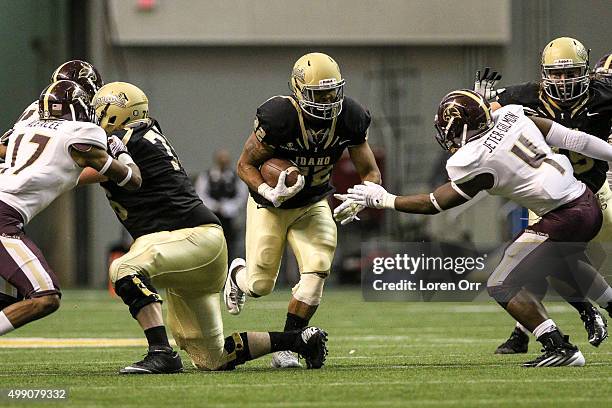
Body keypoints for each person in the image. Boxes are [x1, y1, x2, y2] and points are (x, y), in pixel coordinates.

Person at [341, 89, 612, 367]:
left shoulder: (473, 159)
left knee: (501, 283)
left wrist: (384, 199)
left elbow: (434, 203)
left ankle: (559, 347)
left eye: (449, 129)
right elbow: (573, 139)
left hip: (563, 216)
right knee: (562, 261)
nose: (447, 136)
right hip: (586, 201)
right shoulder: (512, 113)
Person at [81, 81, 328, 374]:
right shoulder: (143, 134)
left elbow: (79, 172)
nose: (94, 119)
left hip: (188, 238)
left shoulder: (127, 136)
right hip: (194, 250)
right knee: (213, 359)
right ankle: (299, 340)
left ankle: (161, 352)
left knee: (123, 269)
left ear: (115, 113)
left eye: (99, 112)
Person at [224, 52, 381, 368]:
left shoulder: (349, 115)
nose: (326, 99)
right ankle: (237, 275)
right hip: (270, 206)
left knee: (317, 271)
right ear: (298, 89)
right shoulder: (280, 117)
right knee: (260, 285)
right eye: (318, 93)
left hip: (313, 203)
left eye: (332, 91)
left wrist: (366, 194)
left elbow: (370, 170)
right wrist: (269, 189)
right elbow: (245, 165)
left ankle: (288, 345)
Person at [476, 37, 612, 353]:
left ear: (587, 72)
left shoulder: (604, 95)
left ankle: (580, 312)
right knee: (543, 259)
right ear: (544, 73)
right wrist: (481, 104)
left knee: (548, 256)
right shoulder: (524, 96)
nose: (563, 81)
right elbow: (479, 119)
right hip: (546, 197)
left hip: (593, 190)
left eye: (571, 73)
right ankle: (576, 314)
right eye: (557, 74)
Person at [0, 80, 141, 340]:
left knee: (14, 297)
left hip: (7, 212)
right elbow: (131, 180)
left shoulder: (24, 127)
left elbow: (64, 170)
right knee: (45, 297)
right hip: (3, 216)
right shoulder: (81, 133)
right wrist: (121, 154)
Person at [194, 149, 248, 260]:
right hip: (212, 217)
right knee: (212, 244)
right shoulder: (206, 176)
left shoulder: (235, 178)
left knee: (229, 245)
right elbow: (200, 195)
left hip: (229, 218)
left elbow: (241, 197)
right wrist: (214, 206)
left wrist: (228, 207)